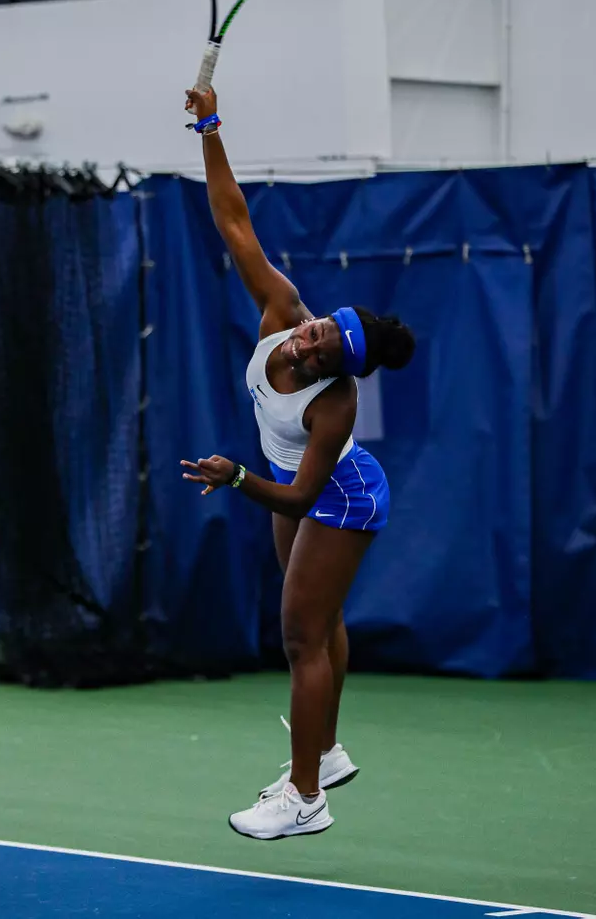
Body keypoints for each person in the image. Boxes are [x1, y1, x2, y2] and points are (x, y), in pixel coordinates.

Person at [181, 86, 415, 841]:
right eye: (315, 331)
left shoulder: (334, 402)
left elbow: (297, 496)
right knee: (317, 621)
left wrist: (235, 477)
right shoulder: (281, 309)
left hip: (338, 497)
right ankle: (329, 747)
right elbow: (233, 220)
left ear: (335, 374)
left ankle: (306, 797)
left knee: (299, 636)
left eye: (319, 354)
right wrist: (210, 126)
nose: (304, 345)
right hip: (298, 488)